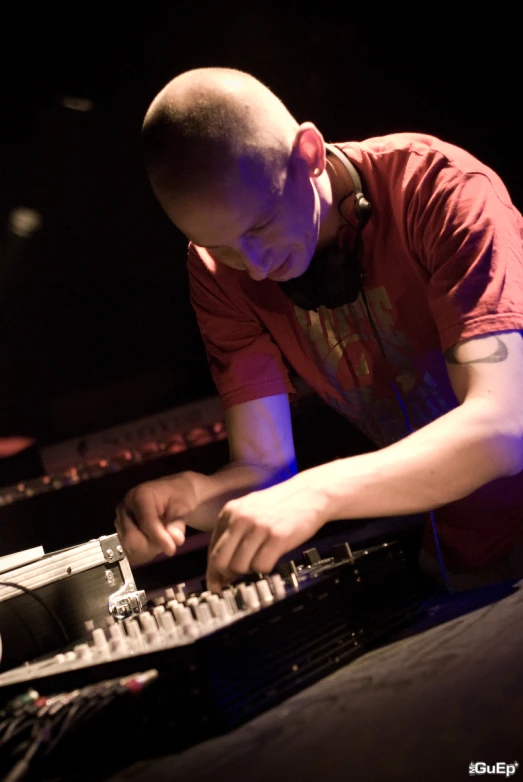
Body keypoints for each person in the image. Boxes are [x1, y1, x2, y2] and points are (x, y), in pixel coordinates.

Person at [115, 66, 523, 592]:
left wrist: (320, 492)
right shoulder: (217, 272)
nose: (255, 267)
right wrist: (193, 495)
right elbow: (266, 471)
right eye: (222, 247)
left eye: (259, 228)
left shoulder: (440, 189)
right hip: (465, 558)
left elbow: (505, 425)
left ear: (308, 154)